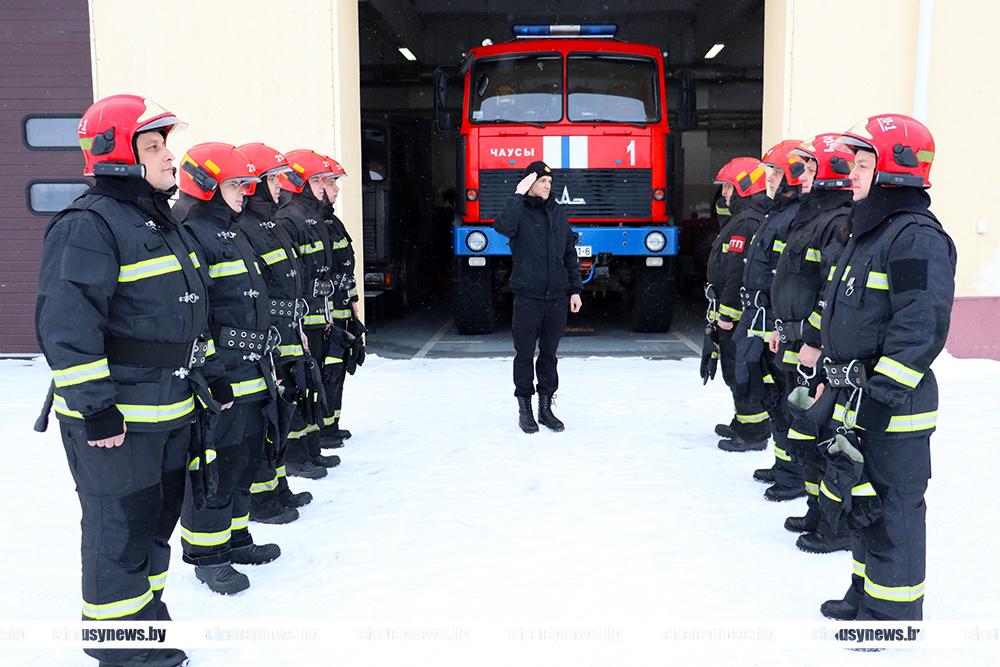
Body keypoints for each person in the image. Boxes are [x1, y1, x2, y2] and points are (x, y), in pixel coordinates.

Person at [35, 94, 232, 667]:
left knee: (150, 531)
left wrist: (209, 375)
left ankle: (145, 626)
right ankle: (122, 653)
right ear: (116, 154)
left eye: (165, 143)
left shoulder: (157, 219)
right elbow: (66, 325)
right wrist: (96, 408)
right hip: (118, 423)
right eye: (154, 145)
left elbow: (189, 312)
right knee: (118, 534)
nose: (170, 156)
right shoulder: (88, 225)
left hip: (168, 410)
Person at [798, 115, 954, 621]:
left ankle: (893, 614)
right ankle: (866, 594)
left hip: (893, 404)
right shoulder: (870, 233)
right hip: (860, 396)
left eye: (864, 164)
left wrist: (880, 390)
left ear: (896, 169)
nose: (852, 174)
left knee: (894, 505)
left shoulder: (915, 238)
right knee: (862, 499)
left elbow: (920, 326)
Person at [175, 142, 283, 595]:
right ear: (206, 185)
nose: (245, 193)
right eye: (236, 185)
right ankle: (208, 554)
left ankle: (235, 537)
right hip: (221, 370)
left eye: (245, 184)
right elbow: (196, 314)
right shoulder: (190, 230)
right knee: (214, 463)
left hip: (253, 365)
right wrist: (212, 372)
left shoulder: (233, 230)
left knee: (243, 457)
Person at [767, 133, 854, 553]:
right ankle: (818, 508)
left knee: (820, 432)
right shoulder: (809, 217)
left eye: (809, 167)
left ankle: (834, 523)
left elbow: (829, 293)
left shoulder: (836, 222)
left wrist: (813, 341)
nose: (799, 175)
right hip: (795, 340)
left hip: (814, 347)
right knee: (801, 426)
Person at [237, 142, 314, 523]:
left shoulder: (271, 223)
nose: (280, 185)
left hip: (284, 332)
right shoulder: (245, 228)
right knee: (266, 421)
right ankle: (262, 500)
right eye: (271, 178)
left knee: (282, 414)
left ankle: (277, 487)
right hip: (267, 339)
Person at [729, 140, 803, 484]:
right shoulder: (777, 214)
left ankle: (792, 471)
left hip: (776, 325)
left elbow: (788, 277)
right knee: (772, 396)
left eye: (775, 172)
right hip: (761, 320)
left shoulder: (792, 219)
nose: (769, 179)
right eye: (769, 172)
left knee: (784, 397)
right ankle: (783, 463)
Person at [493, 160, 582, 433]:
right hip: (527, 296)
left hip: (556, 296)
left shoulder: (558, 213)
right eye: (543, 181)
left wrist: (575, 289)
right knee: (524, 354)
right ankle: (525, 410)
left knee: (549, 355)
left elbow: (569, 253)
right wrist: (517, 195)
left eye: (550, 182)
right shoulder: (518, 213)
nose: (547, 186)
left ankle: (545, 409)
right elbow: (502, 226)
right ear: (530, 183)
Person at [275, 149, 344, 476]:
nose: (324, 187)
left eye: (325, 180)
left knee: (313, 383)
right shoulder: (290, 218)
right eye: (317, 180)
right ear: (300, 183)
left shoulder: (312, 216)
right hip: (301, 318)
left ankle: (311, 449)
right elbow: (295, 275)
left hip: (317, 314)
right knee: (300, 385)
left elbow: (322, 271)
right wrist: (300, 320)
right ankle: (297, 456)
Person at [703, 157, 771, 451]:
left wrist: (727, 315)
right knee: (737, 369)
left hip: (738, 316)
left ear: (744, 188)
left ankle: (754, 432)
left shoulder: (745, 223)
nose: (724, 195)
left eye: (729, 188)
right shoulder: (741, 218)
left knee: (741, 371)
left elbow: (736, 271)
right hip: (737, 313)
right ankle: (743, 420)